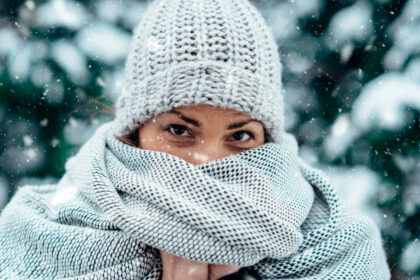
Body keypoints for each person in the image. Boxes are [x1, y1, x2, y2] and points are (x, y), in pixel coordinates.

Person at [0, 0, 391, 279]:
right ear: (135, 131)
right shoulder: (37, 235)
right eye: (179, 130)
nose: (208, 160)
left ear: (268, 141)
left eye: (240, 135)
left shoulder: (340, 251)